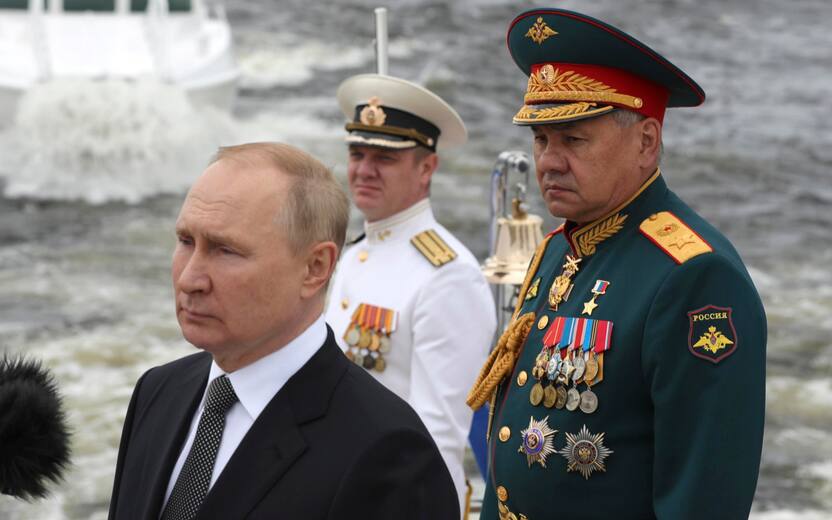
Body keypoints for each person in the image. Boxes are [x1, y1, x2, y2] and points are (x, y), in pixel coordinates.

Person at [467, 8, 766, 520]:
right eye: (541, 140)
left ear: (646, 142)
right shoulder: (560, 247)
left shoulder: (694, 277)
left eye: (573, 140)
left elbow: (703, 499)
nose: (547, 161)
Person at [108, 142, 459, 520]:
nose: (190, 278)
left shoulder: (388, 453)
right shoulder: (158, 393)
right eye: (186, 241)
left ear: (314, 268)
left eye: (226, 250)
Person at [324, 74, 497, 514]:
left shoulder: (447, 275)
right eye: (357, 153)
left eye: (384, 158)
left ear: (426, 168)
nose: (363, 170)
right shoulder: (353, 254)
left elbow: (436, 435)